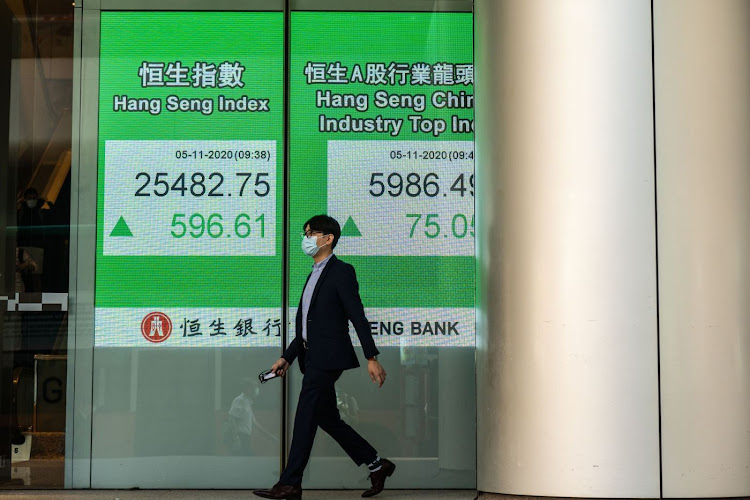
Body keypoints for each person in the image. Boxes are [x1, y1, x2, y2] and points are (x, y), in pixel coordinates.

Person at [253, 215, 394, 500]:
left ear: (328, 238)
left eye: (311, 233)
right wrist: (287, 357)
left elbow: (357, 316)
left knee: (305, 414)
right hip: (311, 356)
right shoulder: (313, 273)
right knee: (327, 419)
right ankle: (378, 464)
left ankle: (290, 483)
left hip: (329, 358)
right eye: (305, 233)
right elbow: (308, 326)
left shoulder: (342, 271)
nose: (305, 239)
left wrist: (371, 356)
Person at [226, 378, 276, 454]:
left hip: (246, 438)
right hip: (241, 437)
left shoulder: (248, 402)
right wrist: (236, 439)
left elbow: (255, 423)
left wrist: (271, 437)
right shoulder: (240, 400)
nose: (256, 390)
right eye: (254, 387)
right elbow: (231, 418)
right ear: (248, 389)